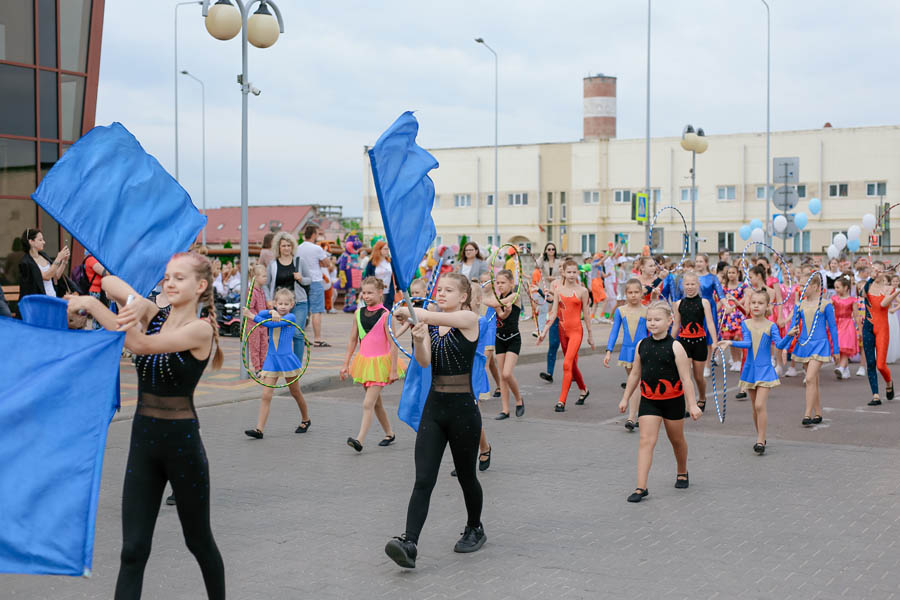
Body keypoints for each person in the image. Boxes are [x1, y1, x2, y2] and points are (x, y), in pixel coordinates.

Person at [66, 253, 225, 599]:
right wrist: (135, 303)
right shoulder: (156, 316)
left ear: (200, 286)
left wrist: (93, 305)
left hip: (182, 447)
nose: (169, 283)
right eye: (167, 277)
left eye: (178, 278)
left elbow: (139, 344)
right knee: (133, 550)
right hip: (143, 443)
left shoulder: (200, 329)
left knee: (198, 542)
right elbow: (109, 281)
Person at [385, 273, 485, 568]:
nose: (441, 293)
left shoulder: (469, 320)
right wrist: (418, 338)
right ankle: (410, 542)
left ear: (463, 297)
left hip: (464, 412)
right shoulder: (431, 324)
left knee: (467, 477)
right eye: (438, 289)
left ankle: (475, 527)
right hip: (435, 408)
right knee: (423, 479)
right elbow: (426, 361)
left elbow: (426, 313)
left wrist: (412, 311)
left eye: (448, 290)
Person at [619, 301, 701, 503]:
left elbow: (686, 379)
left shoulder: (676, 347)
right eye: (649, 320)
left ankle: (682, 471)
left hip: (673, 401)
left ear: (669, 321)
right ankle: (641, 487)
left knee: (677, 440)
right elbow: (635, 374)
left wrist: (692, 404)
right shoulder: (642, 345)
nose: (652, 323)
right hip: (649, 401)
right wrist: (625, 397)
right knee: (646, 441)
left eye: (657, 319)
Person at [718, 289, 798, 454]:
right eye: (753, 303)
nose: (756, 306)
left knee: (760, 405)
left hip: (765, 370)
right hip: (750, 369)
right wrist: (730, 343)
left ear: (767, 306)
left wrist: (789, 335)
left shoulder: (771, 325)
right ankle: (760, 435)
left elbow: (780, 345)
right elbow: (748, 344)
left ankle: (760, 440)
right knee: (755, 407)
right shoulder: (745, 323)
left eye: (760, 303)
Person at [340, 277, 401, 452]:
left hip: (380, 364)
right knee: (376, 403)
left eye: (370, 292)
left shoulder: (386, 315)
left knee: (368, 403)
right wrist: (346, 363)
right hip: (364, 363)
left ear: (380, 292)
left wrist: (394, 369)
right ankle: (389, 433)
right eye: (364, 292)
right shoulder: (358, 313)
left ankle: (359, 440)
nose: (366, 296)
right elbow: (352, 340)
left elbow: (393, 344)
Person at [242, 288, 312, 439]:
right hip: (271, 360)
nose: (282, 306)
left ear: (292, 304)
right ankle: (259, 429)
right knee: (266, 395)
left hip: (287, 360)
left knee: (295, 392)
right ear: (275, 303)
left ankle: (306, 419)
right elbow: (264, 316)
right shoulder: (274, 314)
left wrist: (251, 316)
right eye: (279, 303)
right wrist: (270, 312)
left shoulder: (291, 317)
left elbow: (271, 325)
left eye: (286, 304)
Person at [538, 259, 593, 412]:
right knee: (572, 365)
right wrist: (544, 331)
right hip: (563, 332)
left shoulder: (583, 291)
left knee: (566, 364)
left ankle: (561, 401)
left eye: (574, 272)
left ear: (578, 273)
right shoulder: (558, 290)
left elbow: (586, 315)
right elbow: (554, 313)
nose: (571, 275)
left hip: (576, 331)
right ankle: (584, 390)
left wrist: (590, 335)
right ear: (563, 272)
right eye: (569, 272)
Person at [789, 274, 840, 425]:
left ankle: (807, 414)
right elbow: (793, 327)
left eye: (805, 285)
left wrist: (835, 349)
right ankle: (818, 412)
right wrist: (785, 347)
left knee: (810, 378)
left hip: (820, 345)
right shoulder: (800, 305)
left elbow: (832, 328)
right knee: (814, 381)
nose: (801, 288)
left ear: (815, 287)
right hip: (805, 345)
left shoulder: (825, 304)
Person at [605, 279, 648, 431]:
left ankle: (633, 416)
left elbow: (653, 331)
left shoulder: (646, 311)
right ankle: (635, 415)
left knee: (637, 382)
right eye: (630, 292)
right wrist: (609, 351)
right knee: (635, 382)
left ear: (641, 293)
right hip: (627, 351)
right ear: (626, 294)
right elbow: (614, 331)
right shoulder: (620, 311)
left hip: (643, 350)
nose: (633, 295)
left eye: (636, 292)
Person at [671, 273, 718, 413]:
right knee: (685, 376)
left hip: (699, 342)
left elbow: (710, 322)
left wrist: (715, 341)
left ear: (698, 285)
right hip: (683, 343)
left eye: (693, 284)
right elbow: (676, 325)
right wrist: (669, 342)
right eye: (687, 284)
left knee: (698, 377)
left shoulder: (704, 302)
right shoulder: (679, 304)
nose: (690, 287)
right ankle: (689, 405)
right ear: (683, 286)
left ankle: (702, 397)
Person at [484, 269, 524, 420]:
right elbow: (501, 315)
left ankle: (519, 400)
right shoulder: (498, 298)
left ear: (511, 283)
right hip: (500, 338)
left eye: (503, 283)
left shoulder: (515, 296)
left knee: (507, 373)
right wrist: (505, 311)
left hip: (513, 338)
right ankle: (505, 410)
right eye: (498, 282)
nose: (499, 285)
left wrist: (482, 296)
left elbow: (494, 303)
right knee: (502, 376)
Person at [266, 231, 312, 363]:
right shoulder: (273, 264)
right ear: (278, 248)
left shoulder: (299, 261)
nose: (286, 248)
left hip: (299, 303)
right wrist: (269, 299)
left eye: (288, 245)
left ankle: (296, 364)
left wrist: (301, 278)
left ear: (292, 247)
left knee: (297, 334)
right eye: (283, 246)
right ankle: (279, 360)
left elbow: (310, 280)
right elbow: (267, 284)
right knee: (278, 334)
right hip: (279, 305)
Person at [861, 265, 899, 406]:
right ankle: (875, 395)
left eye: (879, 270)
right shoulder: (867, 286)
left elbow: (883, 304)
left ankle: (889, 382)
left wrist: (897, 291)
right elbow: (861, 294)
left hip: (882, 328)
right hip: (868, 327)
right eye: (873, 270)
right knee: (870, 363)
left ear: (884, 272)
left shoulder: (890, 289)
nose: (876, 272)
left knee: (881, 365)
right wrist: (870, 278)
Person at [295, 224, 332, 347]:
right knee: (317, 311)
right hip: (315, 280)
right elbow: (327, 264)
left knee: (303, 310)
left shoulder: (298, 248)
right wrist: (320, 262)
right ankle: (317, 338)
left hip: (302, 280)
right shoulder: (317, 248)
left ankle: (301, 337)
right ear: (314, 234)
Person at [694, 254, 725, 377]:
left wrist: (726, 304)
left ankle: (707, 365)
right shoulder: (692, 277)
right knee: (694, 335)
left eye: (700, 261)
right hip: (695, 306)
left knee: (707, 337)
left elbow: (720, 294)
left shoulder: (713, 278)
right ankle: (697, 363)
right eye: (696, 261)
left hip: (709, 307)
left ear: (706, 263)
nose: (698, 264)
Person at [18, 228, 70, 298]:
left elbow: (56, 276)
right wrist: (58, 258)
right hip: (40, 301)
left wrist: (64, 261)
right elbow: (46, 276)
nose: (44, 242)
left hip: (52, 296)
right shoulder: (27, 262)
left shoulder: (44, 255)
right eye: (40, 240)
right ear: (31, 242)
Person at [832, 276, 859, 380]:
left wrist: (859, 330)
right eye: (835, 287)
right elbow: (827, 309)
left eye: (838, 287)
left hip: (847, 324)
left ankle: (842, 368)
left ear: (846, 287)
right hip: (837, 324)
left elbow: (856, 315)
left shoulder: (853, 300)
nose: (836, 290)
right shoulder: (834, 298)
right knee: (839, 347)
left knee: (845, 347)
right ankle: (845, 369)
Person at [720, 264, 746, 371]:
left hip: (738, 314)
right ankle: (735, 361)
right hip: (727, 314)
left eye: (733, 272)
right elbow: (721, 299)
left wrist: (735, 305)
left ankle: (739, 360)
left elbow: (744, 298)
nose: (731, 275)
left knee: (738, 337)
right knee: (729, 338)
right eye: (729, 273)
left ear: (738, 274)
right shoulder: (724, 287)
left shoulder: (742, 286)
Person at [246, 263, 269, 373]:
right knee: (255, 347)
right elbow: (249, 308)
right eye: (263, 276)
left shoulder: (262, 291)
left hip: (263, 323)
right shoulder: (251, 291)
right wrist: (258, 317)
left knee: (264, 345)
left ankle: (263, 366)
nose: (266, 278)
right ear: (255, 277)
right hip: (253, 324)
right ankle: (257, 368)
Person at [366, 240, 397, 310]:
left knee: (387, 312)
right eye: (385, 249)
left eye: (388, 249)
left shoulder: (390, 262)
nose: (387, 251)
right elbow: (367, 277)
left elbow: (395, 276)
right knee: (375, 311)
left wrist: (399, 288)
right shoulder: (372, 263)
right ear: (379, 250)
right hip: (375, 292)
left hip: (389, 292)